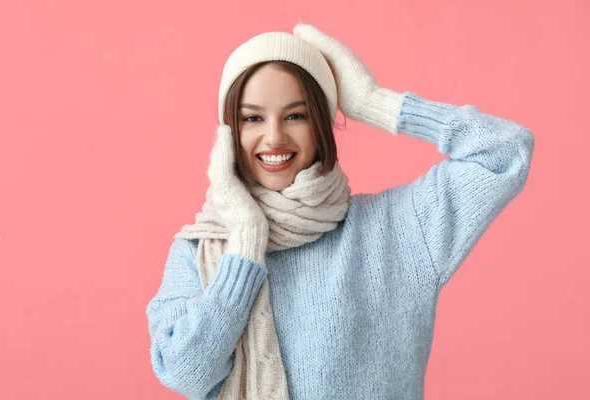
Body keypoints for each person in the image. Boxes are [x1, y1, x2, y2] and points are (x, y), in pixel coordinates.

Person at [145, 23, 535, 400]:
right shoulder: (197, 253)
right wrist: (246, 242)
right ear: (229, 133)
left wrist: (374, 102)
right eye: (252, 118)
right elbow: (184, 372)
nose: (274, 136)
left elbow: (505, 151)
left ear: (321, 125)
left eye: (296, 115)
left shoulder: (397, 229)